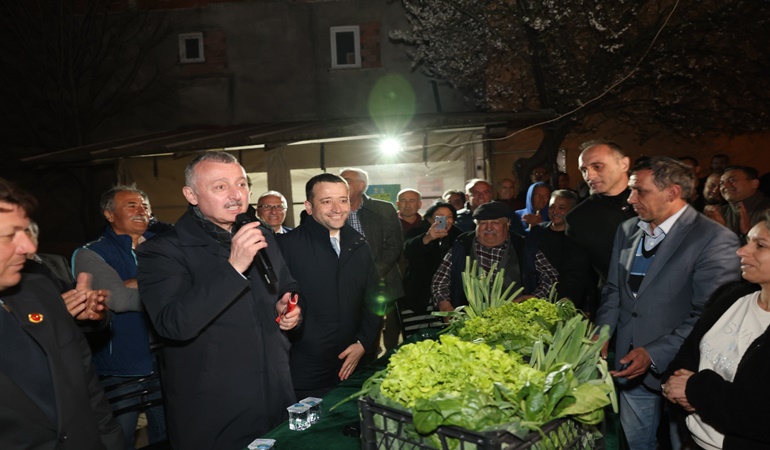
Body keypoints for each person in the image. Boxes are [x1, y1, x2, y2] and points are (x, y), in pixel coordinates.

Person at [136, 151, 302, 450]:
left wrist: (290, 307)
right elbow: (173, 324)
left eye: (241, 184)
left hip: (276, 395)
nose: (236, 195)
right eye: (220, 186)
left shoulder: (259, 232)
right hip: (216, 411)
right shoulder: (163, 251)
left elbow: (285, 285)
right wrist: (233, 268)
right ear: (192, 194)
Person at [596, 156, 741, 450]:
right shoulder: (627, 231)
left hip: (684, 371)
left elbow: (708, 317)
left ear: (672, 193)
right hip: (629, 365)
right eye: (631, 189)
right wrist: (604, 330)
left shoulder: (714, 239)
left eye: (640, 191)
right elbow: (614, 289)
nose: (630, 198)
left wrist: (652, 352)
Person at [0, 177, 124, 449]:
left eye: (27, 231)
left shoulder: (38, 288)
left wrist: (91, 317)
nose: (30, 248)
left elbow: (89, 393)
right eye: (10, 235)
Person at [662, 211, 770, 450]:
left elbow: (761, 414)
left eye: (760, 245)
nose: (742, 251)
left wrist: (695, 391)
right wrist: (677, 386)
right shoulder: (731, 296)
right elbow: (688, 354)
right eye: (748, 241)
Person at [72, 185, 166, 450]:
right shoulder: (91, 253)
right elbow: (118, 300)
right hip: (120, 366)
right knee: (118, 439)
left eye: (145, 206)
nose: (141, 211)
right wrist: (163, 294)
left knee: (170, 436)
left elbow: (185, 285)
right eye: (131, 205)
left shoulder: (162, 247)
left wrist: (133, 282)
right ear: (109, 215)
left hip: (164, 362)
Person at [277, 173, 381, 400]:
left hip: (354, 364)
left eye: (342, 200)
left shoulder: (358, 244)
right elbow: (275, 301)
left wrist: (364, 342)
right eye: (326, 201)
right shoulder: (286, 247)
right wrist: (285, 312)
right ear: (309, 206)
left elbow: (375, 298)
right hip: (306, 371)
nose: (337, 208)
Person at [432, 201, 558, 312]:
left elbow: (551, 277)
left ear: (508, 224)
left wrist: (535, 298)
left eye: (495, 223)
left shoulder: (524, 246)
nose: (488, 228)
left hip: (515, 319)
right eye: (482, 223)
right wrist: (446, 307)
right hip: (469, 320)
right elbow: (439, 282)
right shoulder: (462, 245)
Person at [565, 140, 637, 316]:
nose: (589, 175)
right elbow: (576, 273)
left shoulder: (655, 200)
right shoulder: (578, 218)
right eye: (584, 170)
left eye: (597, 166)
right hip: (616, 312)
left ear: (623, 164)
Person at [340, 167, 404, 352]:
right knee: (354, 331)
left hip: (382, 280)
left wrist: (373, 273)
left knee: (386, 331)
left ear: (362, 185)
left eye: (347, 180)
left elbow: (394, 244)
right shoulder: (333, 209)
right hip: (346, 282)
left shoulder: (383, 209)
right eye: (340, 179)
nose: (342, 183)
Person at [526, 189, 589, 309]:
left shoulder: (579, 237)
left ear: (572, 210)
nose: (555, 212)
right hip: (536, 297)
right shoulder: (537, 231)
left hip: (568, 301)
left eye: (561, 208)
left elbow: (578, 276)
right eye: (552, 207)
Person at [402, 202, 462, 314]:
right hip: (420, 293)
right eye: (440, 217)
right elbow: (407, 250)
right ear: (429, 219)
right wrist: (428, 238)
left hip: (449, 295)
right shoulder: (416, 232)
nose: (445, 221)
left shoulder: (459, 236)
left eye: (449, 217)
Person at [704, 165, 770, 244]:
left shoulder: (767, 210)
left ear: (754, 184)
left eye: (732, 180)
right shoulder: (719, 213)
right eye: (721, 183)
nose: (724, 186)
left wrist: (747, 233)